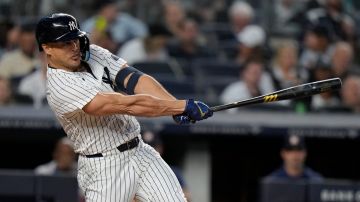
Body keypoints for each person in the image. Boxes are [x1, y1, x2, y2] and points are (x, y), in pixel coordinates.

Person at [36, 13, 212, 202]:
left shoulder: (93, 53)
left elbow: (133, 79)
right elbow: (128, 104)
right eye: (66, 43)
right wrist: (179, 106)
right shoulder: (60, 86)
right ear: (47, 48)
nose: (75, 47)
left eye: (76, 40)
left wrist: (174, 107)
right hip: (105, 167)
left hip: (140, 151)